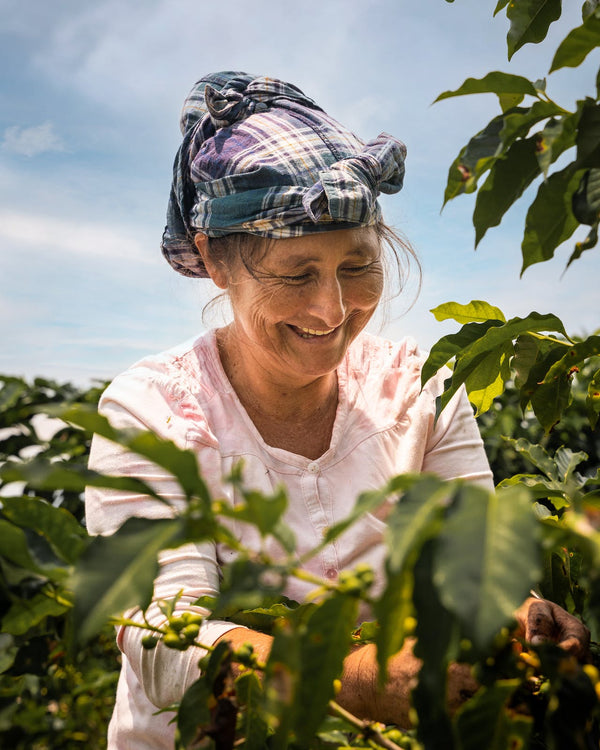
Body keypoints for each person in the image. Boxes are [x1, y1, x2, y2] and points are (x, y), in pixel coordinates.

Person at [85, 71, 589, 749]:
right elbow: (164, 643)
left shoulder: (421, 387)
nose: (333, 310)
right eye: (295, 274)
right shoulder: (150, 411)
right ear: (215, 260)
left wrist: (518, 616)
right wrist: (354, 681)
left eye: (358, 266)